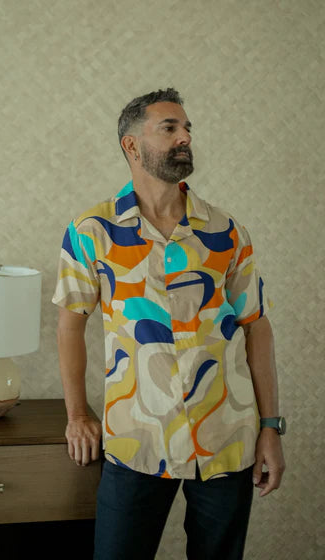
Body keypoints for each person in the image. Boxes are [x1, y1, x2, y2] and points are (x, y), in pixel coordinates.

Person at [52, 87, 286, 560]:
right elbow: (70, 325)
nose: (185, 137)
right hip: (136, 439)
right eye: (169, 128)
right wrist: (77, 415)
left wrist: (270, 427)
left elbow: (256, 326)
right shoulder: (91, 230)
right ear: (132, 146)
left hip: (226, 437)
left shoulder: (225, 230)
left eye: (187, 128)